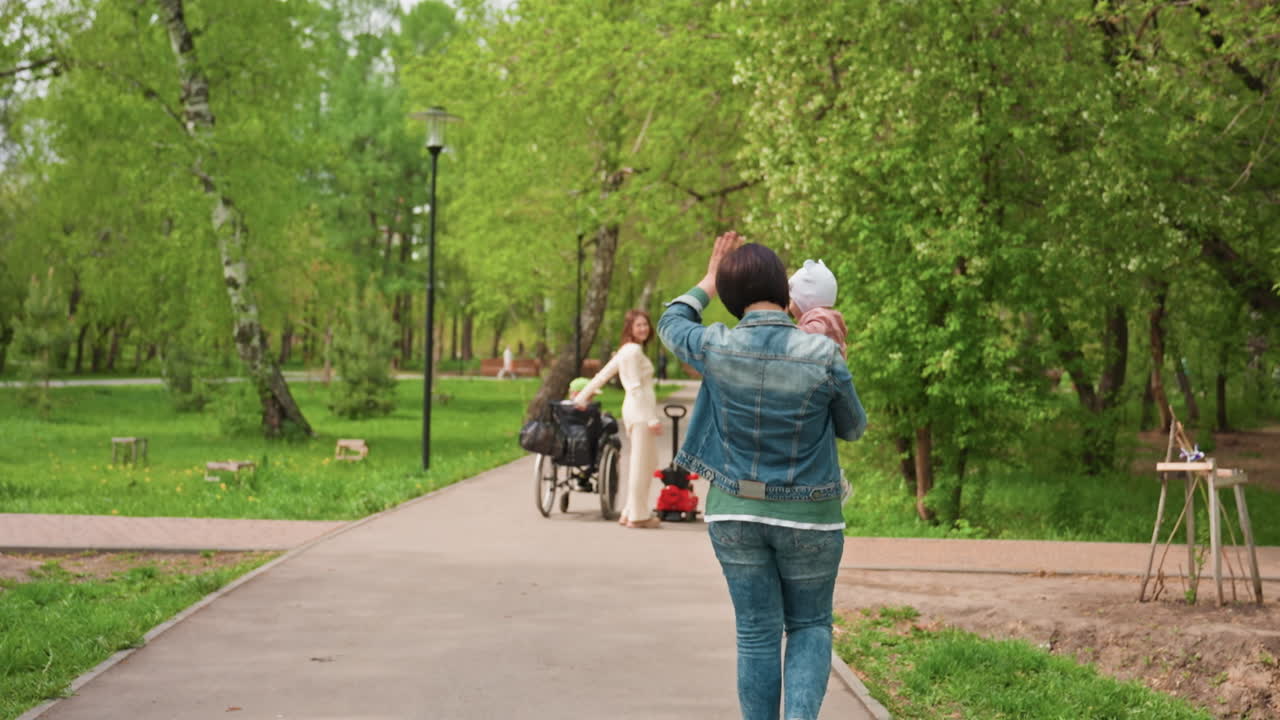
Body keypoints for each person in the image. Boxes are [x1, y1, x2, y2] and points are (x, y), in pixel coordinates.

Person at [658, 232, 867, 720]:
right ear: (782, 286)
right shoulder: (821, 354)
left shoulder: (715, 345)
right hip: (810, 516)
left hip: (735, 513)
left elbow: (671, 321)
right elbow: (853, 428)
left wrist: (708, 281)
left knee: (755, 631)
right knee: (810, 624)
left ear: (732, 296)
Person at [572, 310, 664, 529]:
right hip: (641, 413)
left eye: (645, 324)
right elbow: (634, 387)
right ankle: (638, 517)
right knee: (642, 464)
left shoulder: (627, 351)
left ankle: (629, 512)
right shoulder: (632, 352)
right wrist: (651, 418)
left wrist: (582, 397)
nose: (644, 329)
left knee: (646, 462)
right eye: (639, 325)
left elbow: (602, 376)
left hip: (637, 412)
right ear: (630, 329)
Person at [788, 259, 847, 358]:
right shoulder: (828, 319)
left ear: (806, 299)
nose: (789, 301)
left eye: (792, 298)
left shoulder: (820, 318)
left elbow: (809, 335)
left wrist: (783, 332)